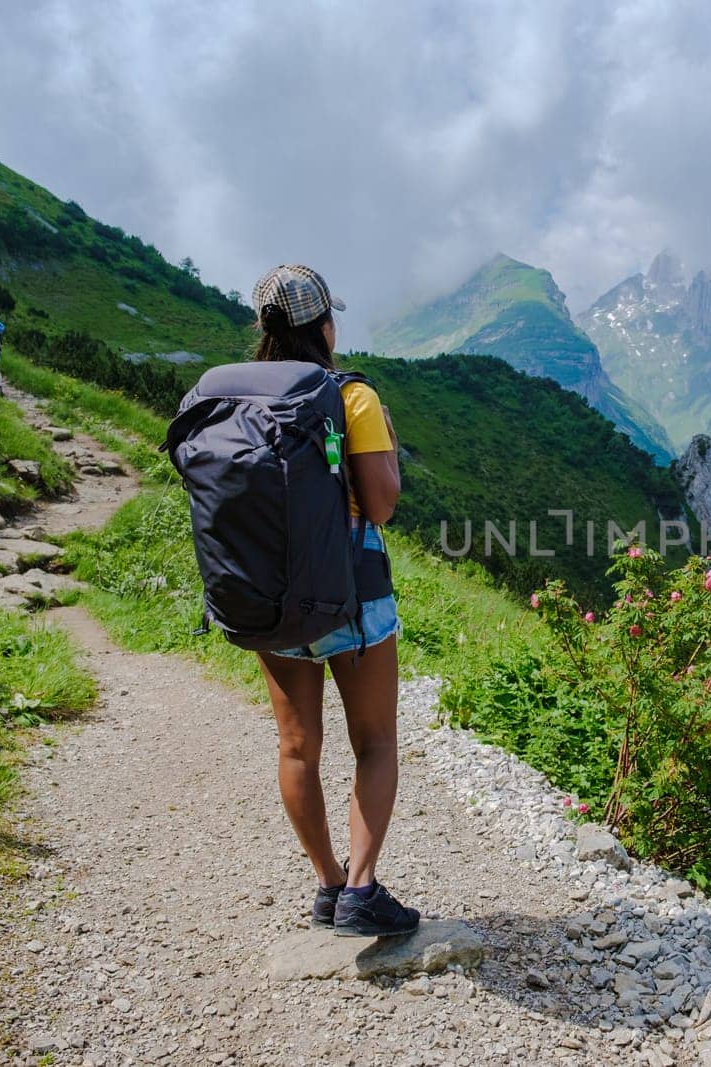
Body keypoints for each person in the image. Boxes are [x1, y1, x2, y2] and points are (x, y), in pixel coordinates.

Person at [248, 264, 417, 938]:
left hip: (268, 597)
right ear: (324, 325)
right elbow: (379, 504)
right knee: (374, 742)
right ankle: (362, 890)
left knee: (296, 747)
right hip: (351, 595)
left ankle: (326, 885)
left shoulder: (238, 401)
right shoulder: (351, 397)